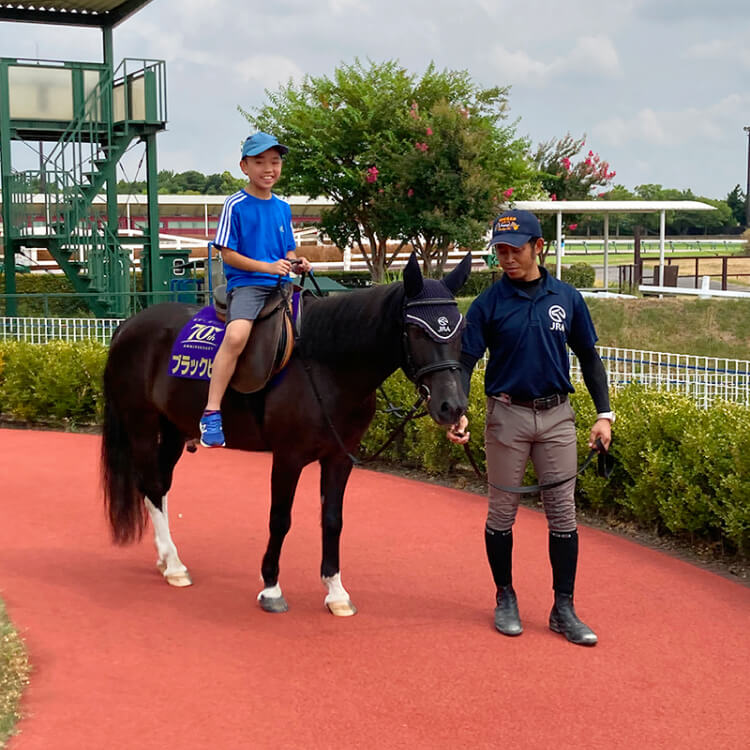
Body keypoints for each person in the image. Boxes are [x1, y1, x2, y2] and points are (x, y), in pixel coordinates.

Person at [447, 209, 613, 646]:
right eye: (500, 250)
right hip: (507, 415)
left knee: (563, 515)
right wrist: (458, 409)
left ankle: (563, 609)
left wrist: (604, 414)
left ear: (539, 247)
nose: (507, 258)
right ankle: (505, 597)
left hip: (558, 415)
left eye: (515, 249)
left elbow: (590, 359)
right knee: (502, 513)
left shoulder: (568, 298)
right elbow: (465, 361)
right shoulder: (488, 304)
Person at [199, 132, 311, 447]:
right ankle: (211, 412)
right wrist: (267, 267)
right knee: (235, 336)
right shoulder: (235, 204)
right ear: (244, 166)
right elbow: (227, 253)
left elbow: (287, 251)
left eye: (274, 162)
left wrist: (297, 261)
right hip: (247, 286)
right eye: (259, 162)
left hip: (283, 287)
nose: (268, 169)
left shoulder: (283, 208)